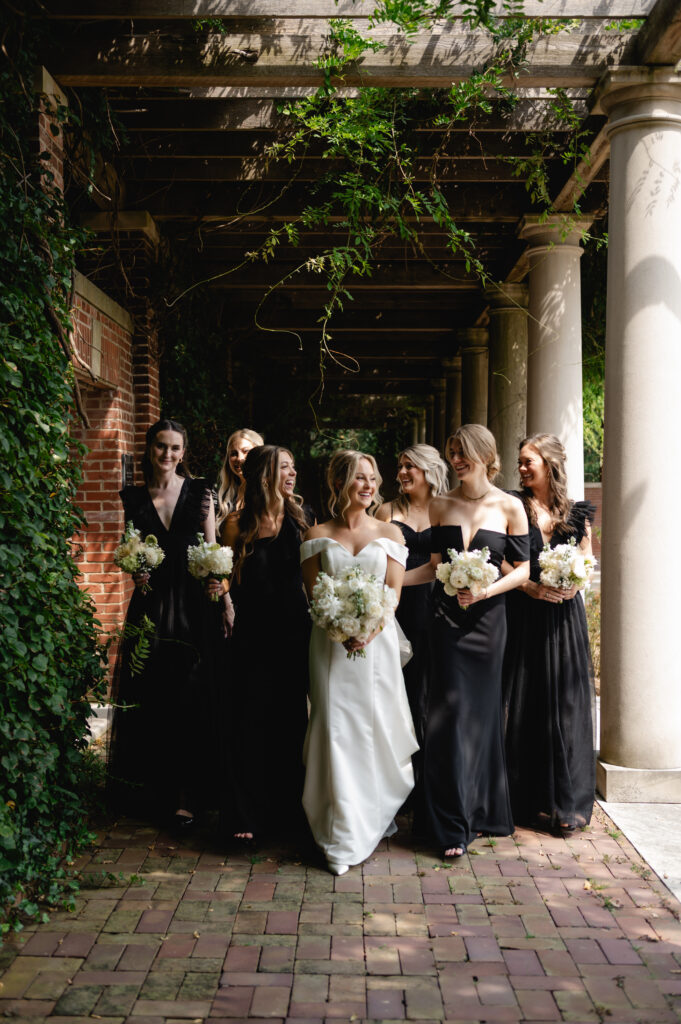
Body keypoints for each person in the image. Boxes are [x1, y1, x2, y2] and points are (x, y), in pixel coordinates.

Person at [404, 424, 529, 858]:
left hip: (490, 624)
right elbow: (434, 566)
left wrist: (485, 591)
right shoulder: (440, 505)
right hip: (445, 622)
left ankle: (484, 810)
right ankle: (450, 823)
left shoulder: (510, 506)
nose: (457, 459)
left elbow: (523, 569)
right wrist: (392, 583)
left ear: (485, 454)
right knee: (449, 715)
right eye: (453, 452)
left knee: (482, 714)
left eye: (464, 452)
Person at [300, 450, 418, 876]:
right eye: (358, 478)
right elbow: (315, 598)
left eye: (372, 478)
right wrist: (339, 630)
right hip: (330, 647)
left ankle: (368, 818)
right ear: (339, 484)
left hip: (377, 644)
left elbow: (394, 594)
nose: (368, 486)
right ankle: (338, 832)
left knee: (374, 725)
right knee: (333, 727)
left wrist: (368, 630)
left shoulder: (392, 534)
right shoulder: (315, 535)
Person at [107, 419, 226, 829]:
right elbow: (130, 550)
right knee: (153, 693)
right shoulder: (133, 498)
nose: (168, 455)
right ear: (149, 448)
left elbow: (212, 550)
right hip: (151, 605)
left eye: (175, 448)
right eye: (161, 447)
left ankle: (188, 796)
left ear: (183, 452)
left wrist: (225, 600)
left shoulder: (201, 493)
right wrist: (134, 572)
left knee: (191, 694)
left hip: (194, 605)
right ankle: (153, 790)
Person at [503, 433, 596, 834]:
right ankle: (526, 799)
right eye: (520, 461)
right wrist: (530, 587)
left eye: (529, 461)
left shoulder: (575, 513)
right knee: (527, 700)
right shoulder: (510, 505)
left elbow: (587, 554)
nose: (521, 468)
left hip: (565, 616)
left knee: (569, 702)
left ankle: (569, 805)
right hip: (524, 613)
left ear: (550, 463)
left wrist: (577, 581)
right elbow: (500, 559)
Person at [221, 445, 312, 841]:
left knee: (291, 721)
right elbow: (223, 574)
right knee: (248, 721)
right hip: (250, 634)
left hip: (294, 633)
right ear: (264, 474)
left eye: (293, 468)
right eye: (284, 468)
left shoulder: (302, 519)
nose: (292, 474)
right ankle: (246, 818)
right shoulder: (236, 524)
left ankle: (288, 815)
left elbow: (315, 579)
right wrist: (219, 591)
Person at [377, 444, 449, 760]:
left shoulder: (448, 510)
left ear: (429, 470)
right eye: (400, 466)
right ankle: (399, 767)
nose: (401, 473)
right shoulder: (386, 512)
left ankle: (430, 769)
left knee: (433, 689)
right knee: (398, 686)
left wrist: (396, 580)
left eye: (410, 466)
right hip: (397, 607)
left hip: (438, 606)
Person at [216, 428, 264, 534]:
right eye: (233, 454)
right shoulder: (222, 496)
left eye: (246, 451)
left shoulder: (270, 492)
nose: (239, 458)